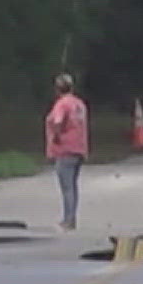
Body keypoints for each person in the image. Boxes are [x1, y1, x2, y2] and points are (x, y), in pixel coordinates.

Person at [44, 72, 89, 230]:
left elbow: (58, 121)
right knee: (73, 187)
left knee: (67, 187)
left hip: (65, 149)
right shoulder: (79, 104)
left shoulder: (62, 104)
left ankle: (68, 220)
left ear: (57, 89)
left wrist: (56, 137)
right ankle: (72, 217)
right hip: (79, 148)